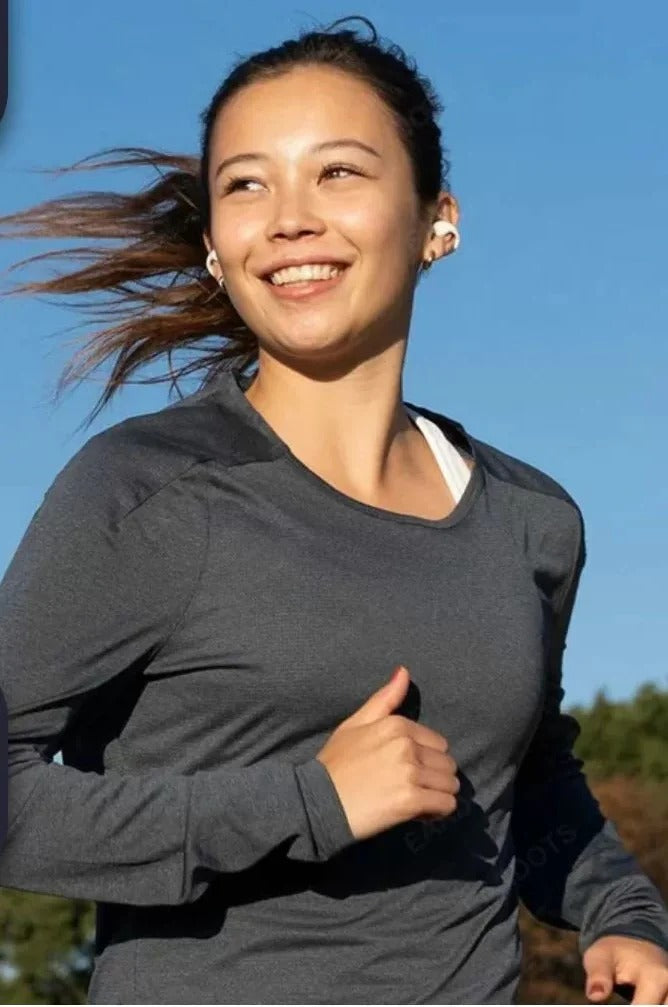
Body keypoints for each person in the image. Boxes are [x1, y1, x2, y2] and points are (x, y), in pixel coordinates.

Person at [0, 14, 666, 1006]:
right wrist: (309, 802)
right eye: (246, 184)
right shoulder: (151, 489)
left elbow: (524, 779)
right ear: (215, 246)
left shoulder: (531, 519)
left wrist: (619, 907)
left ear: (436, 218)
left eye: (338, 172)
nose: (289, 218)